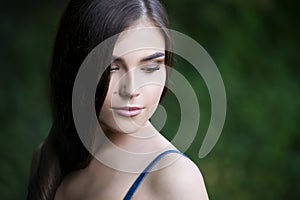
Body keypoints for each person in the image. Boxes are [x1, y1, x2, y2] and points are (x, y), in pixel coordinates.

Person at [27, 0, 209, 199]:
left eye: (150, 67)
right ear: (73, 68)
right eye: (112, 68)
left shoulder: (175, 180)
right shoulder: (48, 158)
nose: (131, 89)